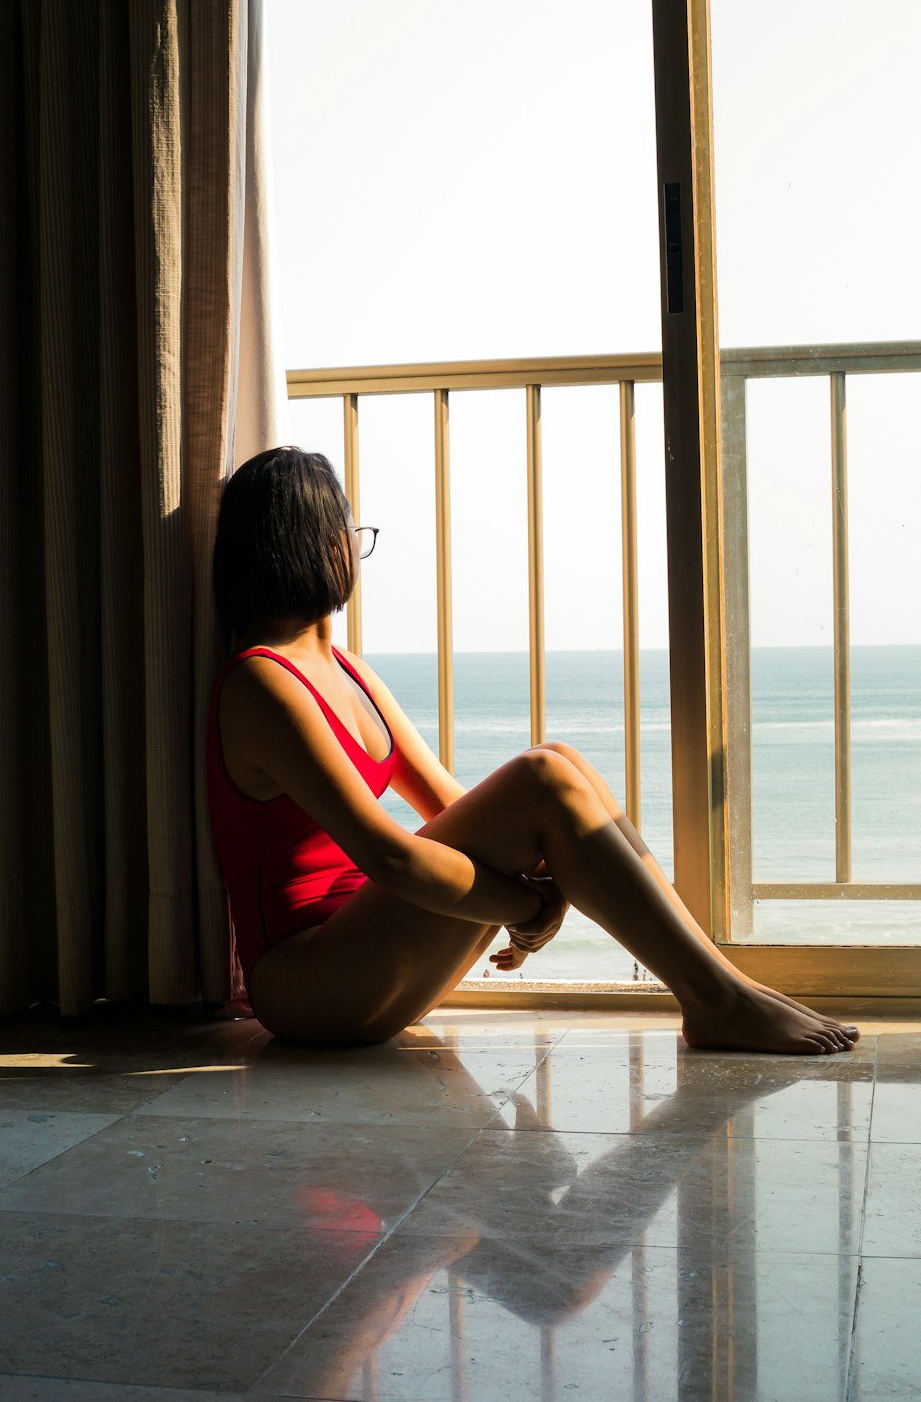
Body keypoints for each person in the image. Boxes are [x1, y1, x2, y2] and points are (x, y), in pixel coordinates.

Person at [206, 445, 860, 1055]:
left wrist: (549, 874)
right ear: (321, 546)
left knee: (561, 767)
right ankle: (718, 999)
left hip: (370, 959)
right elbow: (390, 858)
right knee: (545, 775)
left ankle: (722, 988)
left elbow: (456, 808)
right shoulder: (261, 681)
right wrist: (532, 903)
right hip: (309, 987)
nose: (354, 551)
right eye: (351, 535)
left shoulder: (347, 671)